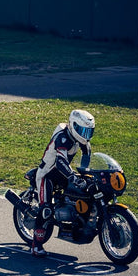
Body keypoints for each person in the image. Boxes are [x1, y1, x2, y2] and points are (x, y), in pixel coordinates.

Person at [30, 109, 95, 257]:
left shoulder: (82, 141)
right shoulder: (63, 137)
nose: (85, 136)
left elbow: (86, 158)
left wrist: (87, 175)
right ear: (73, 126)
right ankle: (36, 245)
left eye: (88, 132)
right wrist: (73, 177)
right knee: (46, 210)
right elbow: (60, 162)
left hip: (63, 174)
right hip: (47, 175)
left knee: (81, 193)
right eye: (82, 131)